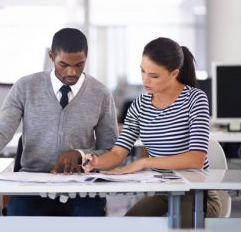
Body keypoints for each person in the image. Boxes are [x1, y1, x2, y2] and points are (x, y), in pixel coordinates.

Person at [0, 27, 118, 216]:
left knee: (90, 219)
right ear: (51, 56)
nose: (72, 72)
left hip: (81, 187)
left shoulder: (101, 94)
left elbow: (111, 150)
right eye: (64, 64)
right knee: (18, 216)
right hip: (31, 185)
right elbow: (0, 132)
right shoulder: (25, 87)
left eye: (79, 65)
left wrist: (81, 154)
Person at [83, 37, 222, 227]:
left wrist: (145, 162)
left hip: (197, 193)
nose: (145, 80)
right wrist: (97, 162)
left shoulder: (195, 99)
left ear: (174, 74)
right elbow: (117, 153)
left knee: (179, 226)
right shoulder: (140, 105)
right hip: (164, 193)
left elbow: (196, 158)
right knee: (128, 226)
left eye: (154, 76)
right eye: (142, 71)